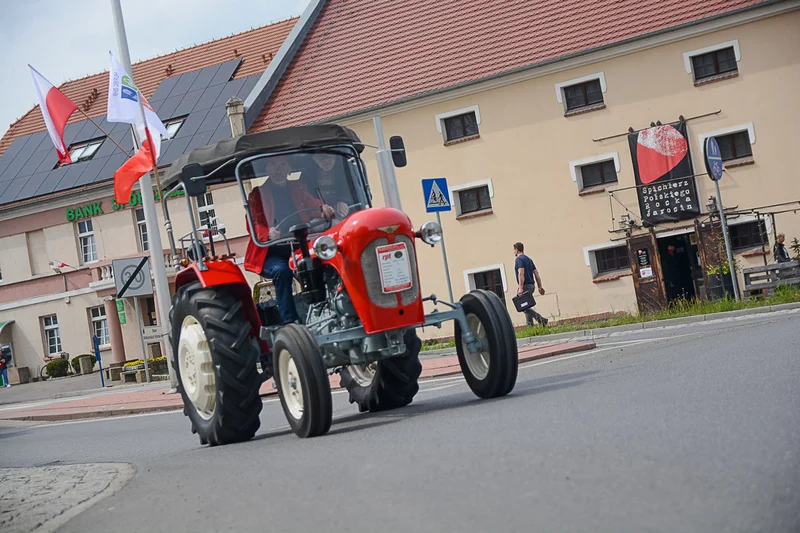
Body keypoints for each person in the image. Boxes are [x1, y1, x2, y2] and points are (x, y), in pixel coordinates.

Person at [244, 155, 334, 324]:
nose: (279, 170)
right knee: (282, 271)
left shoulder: (297, 187)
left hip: (299, 246)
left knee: (325, 263)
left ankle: (328, 310)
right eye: (274, 166)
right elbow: (253, 224)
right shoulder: (258, 194)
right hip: (271, 251)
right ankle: (290, 322)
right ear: (268, 170)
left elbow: (311, 203)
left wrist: (323, 208)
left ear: (289, 169)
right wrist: (268, 233)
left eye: (283, 165)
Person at [305, 152, 352, 219]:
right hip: (320, 216)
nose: (325, 160)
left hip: (345, 214)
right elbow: (304, 196)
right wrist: (320, 207)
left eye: (329, 156)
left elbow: (357, 190)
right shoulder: (307, 175)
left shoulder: (347, 170)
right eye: (321, 157)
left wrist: (343, 200)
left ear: (335, 156)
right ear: (314, 159)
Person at [513, 242, 548, 327]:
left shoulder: (519, 260)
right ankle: (530, 326)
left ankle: (541, 319)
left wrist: (520, 288)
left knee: (522, 306)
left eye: (514, 250)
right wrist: (540, 286)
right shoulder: (529, 259)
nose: (513, 252)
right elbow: (536, 274)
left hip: (524, 286)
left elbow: (521, 273)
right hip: (531, 286)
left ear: (517, 250)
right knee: (526, 305)